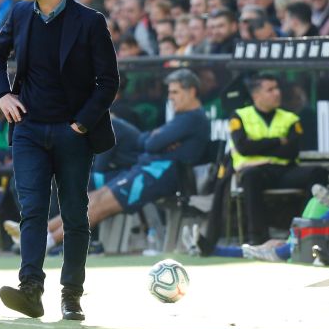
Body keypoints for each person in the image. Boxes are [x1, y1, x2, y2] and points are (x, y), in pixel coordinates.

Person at [0, 0, 119, 322]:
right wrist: (3, 94)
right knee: (32, 210)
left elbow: (108, 81)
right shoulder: (19, 13)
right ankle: (31, 289)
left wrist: (81, 123)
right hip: (28, 129)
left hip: (72, 132)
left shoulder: (90, 22)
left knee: (75, 214)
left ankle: (71, 294)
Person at [36, 68, 209, 251]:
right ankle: (41, 231)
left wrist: (157, 139)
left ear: (191, 92)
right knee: (93, 197)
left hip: (159, 176)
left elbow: (150, 144)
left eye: (175, 92)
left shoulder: (193, 118)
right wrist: (158, 139)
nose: (171, 97)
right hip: (147, 170)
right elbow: (146, 141)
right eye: (169, 92)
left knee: (99, 205)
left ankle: (47, 242)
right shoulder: (183, 118)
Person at [214, 73, 328, 248]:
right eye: (270, 90)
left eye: (277, 89)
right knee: (251, 176)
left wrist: (258, 146)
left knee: (318, 172)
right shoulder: (239, 116)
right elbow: (244, 147)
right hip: (257, 172)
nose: (277, 93)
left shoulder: (291, 118)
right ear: (256, 95)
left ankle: (306, 229)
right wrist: (277, 141)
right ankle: (258, 240)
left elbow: (290, 151)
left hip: (284, 171)